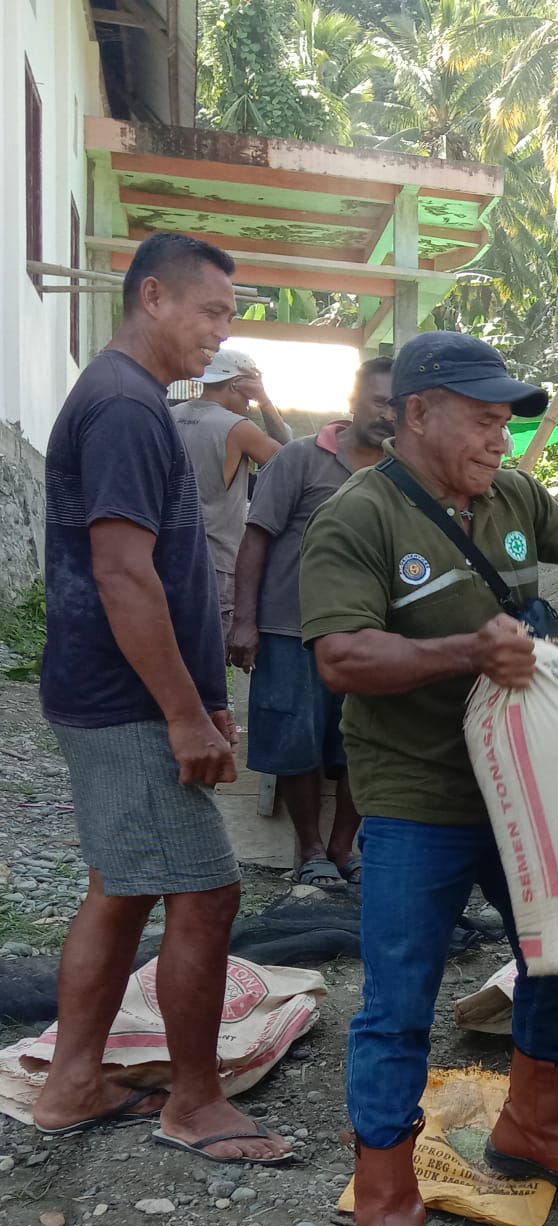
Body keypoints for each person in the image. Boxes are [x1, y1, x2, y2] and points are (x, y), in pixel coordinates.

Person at [299, 331, 558, 1226]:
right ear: (418, 414)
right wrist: (467, 654)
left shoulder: (514, 497)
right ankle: (386, 1203)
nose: (502, 439)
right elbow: (341, 657)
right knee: (399, 1000)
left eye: (505, 423)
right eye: (484, 420)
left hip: (526, 783)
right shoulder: (358, 517)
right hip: (419, 794)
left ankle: (532, 1128)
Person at [33, 231, 289, 1164]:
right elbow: (123, 573)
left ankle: (72, 1082)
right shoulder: (125, 407)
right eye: (211, 312)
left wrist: (204, 695)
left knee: (122, 885)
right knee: (208, 891)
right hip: (127, 700)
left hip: (117, 690)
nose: (220, 334)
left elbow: (159, 574)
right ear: (153, 297)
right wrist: (183, 714)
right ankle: (194, 1101)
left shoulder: (134, 399)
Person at [228, 357, 397, 888]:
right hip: (290, 627)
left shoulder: (404, 475)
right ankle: (310, 849)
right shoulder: (299, 458)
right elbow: (256, 537)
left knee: (365, 741)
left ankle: (346, 847)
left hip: (369, 633)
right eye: (379, 402)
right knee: (294, 736)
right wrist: (245, 620)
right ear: (353, 402)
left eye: (399, 405)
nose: (388, 414)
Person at [170, 346, 290, 637]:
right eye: (247, 397)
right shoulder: (238, 428)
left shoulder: (169, 416)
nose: (248, 405)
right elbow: (289, 460)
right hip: (216, 559)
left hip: (167, 552)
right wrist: (264, 400)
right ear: (236, 384)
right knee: (211, 650)